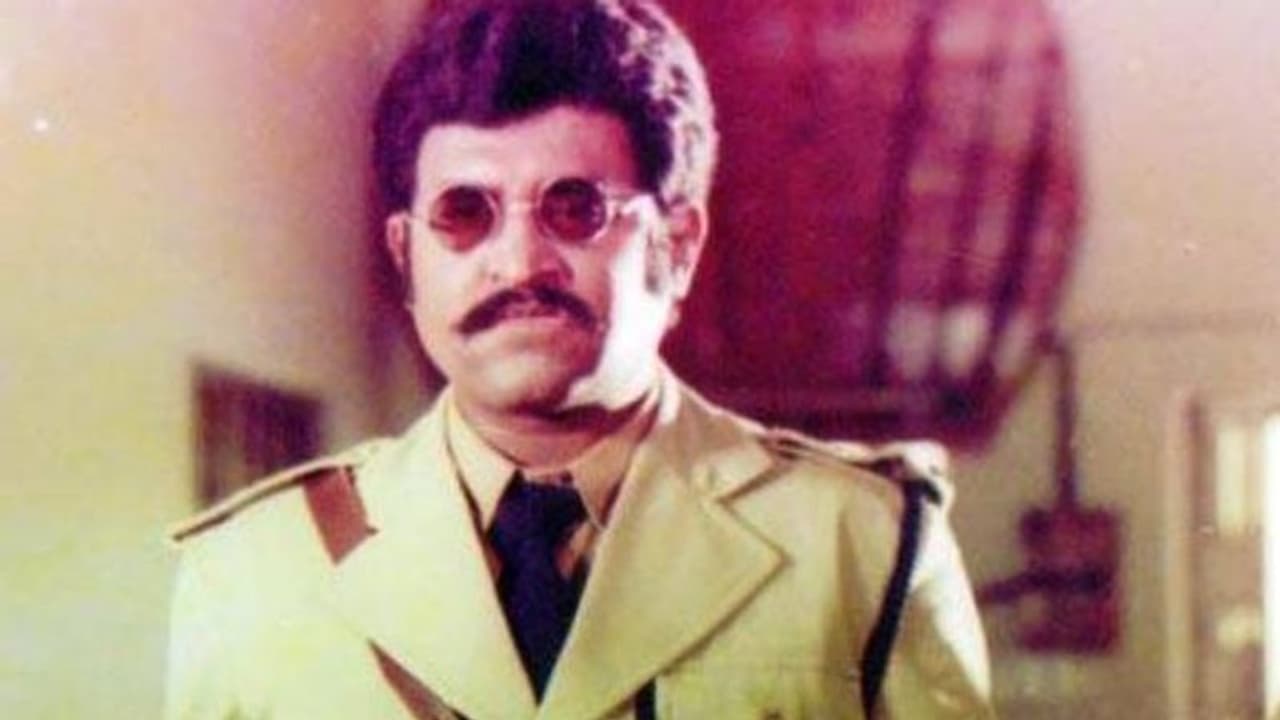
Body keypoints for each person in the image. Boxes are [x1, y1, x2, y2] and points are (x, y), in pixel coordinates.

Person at [165, 0, 995, 717]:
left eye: (575, 208)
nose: (519, 264)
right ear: (405, 255)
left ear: (677, 245)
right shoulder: (252, 570)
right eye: (464, 213)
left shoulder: (863, 547)